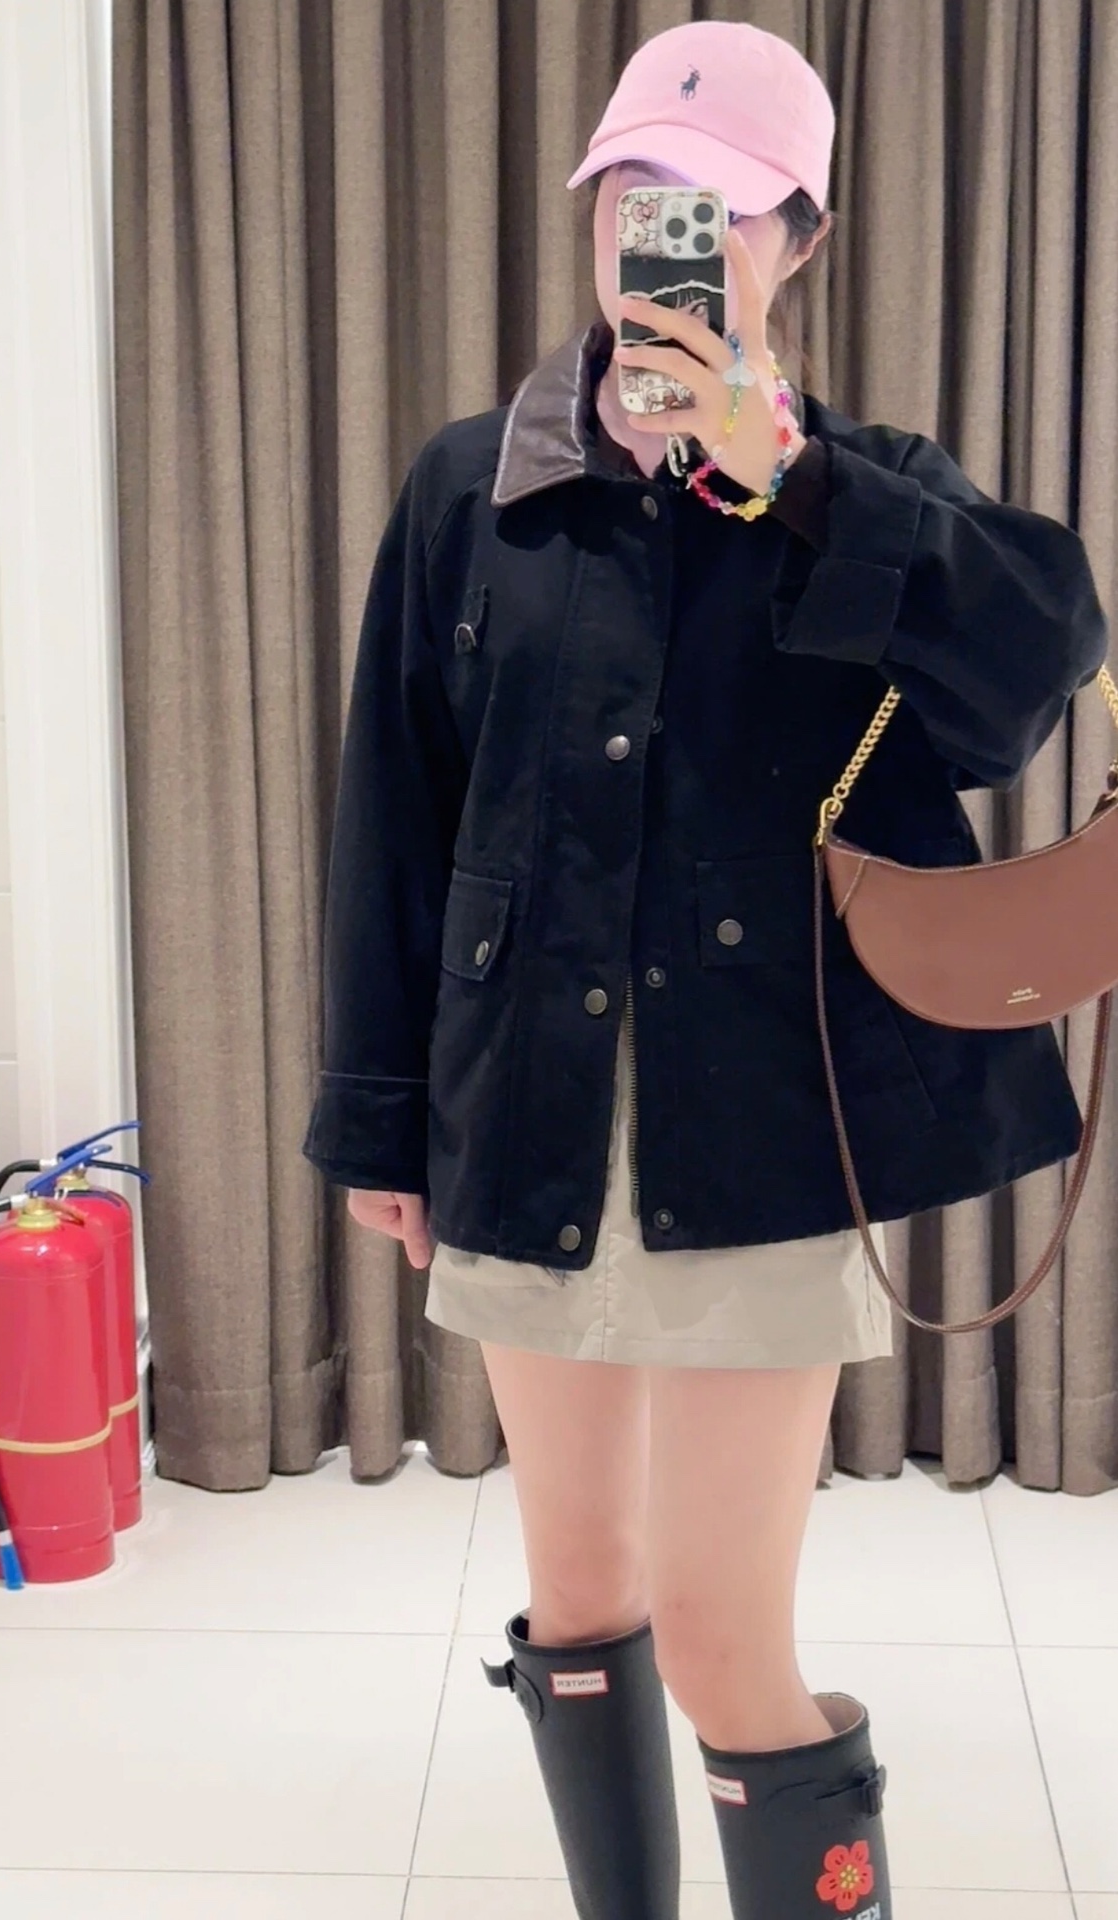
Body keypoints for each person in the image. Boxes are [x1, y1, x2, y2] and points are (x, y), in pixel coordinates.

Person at [305, 19, 1107, 1920]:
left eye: (720, 211)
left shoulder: (864, 491)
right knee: (580, 1597)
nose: (665, 239)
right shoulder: (475, 489)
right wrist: (380, 1125)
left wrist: (797, 474)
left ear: (797, 240)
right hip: (524, 1115)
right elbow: (395, 819)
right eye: (638, 198)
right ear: (591, 205)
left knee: (729, 1642)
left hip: (761, 1127)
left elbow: (1034, 668)